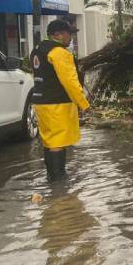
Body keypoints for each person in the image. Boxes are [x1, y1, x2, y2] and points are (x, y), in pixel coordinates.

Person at [30, 19, 90, 181]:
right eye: (68, 34)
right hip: (57, 104)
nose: (70, 38)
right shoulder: (59, 52)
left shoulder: (37, 50)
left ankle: (52, 178)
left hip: (41, 102)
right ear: (58, 34)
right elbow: (70, 82)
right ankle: (59, 182)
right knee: (58, 141)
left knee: (49, 141)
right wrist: (84, 104)